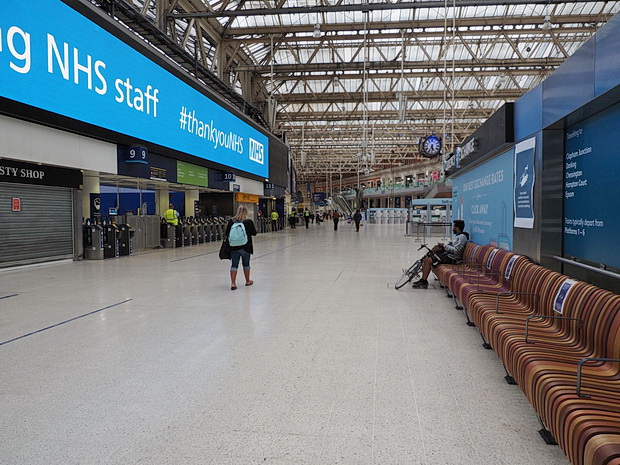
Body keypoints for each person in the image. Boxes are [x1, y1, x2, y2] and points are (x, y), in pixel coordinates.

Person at [412, 219, 469, 289]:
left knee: (428, 261)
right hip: (447, 255)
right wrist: (441, 246)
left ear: (457, 228)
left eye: (454, 227)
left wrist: (444, 245)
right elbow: (452, 246)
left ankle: (424, 281)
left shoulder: (462, 237)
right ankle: (422, 279)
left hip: (451, 258)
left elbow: (457, 251)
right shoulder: (458, 236)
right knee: (426, 258)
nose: (453, 229)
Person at [225, 205, 257, 290]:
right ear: (246, 211)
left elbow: (227, 233)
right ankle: (247, 281)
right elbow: (254, 233)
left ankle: (233, 283)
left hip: (234, 247)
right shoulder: (248, 221)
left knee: (234, 265)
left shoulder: (232, 221)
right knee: (246, 264)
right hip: (246, 246)